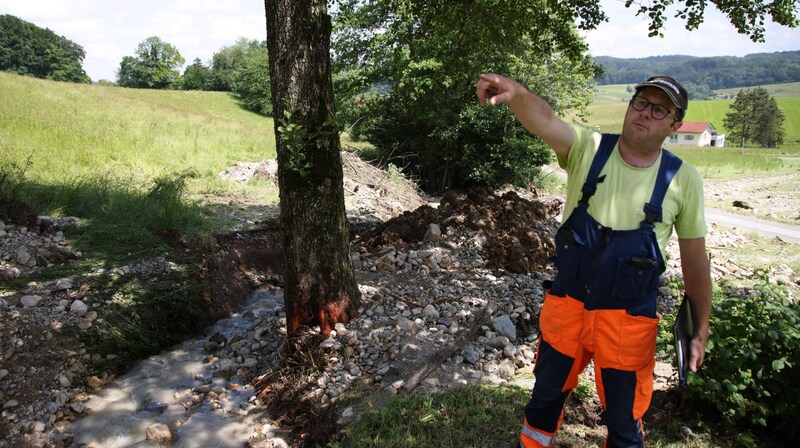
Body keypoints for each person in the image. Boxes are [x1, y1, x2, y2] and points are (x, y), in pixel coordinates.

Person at [476, 74, 712, 448]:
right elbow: (546, 120)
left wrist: (699, 330)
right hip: (567, 309)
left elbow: (695, 262)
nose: (644, 114)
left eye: (659, 110)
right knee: (544, 401)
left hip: (627, 323)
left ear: (675, 125)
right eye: (640, 103)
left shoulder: (682, 179)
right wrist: (518, 94)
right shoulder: (591, 148)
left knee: (624, 421)